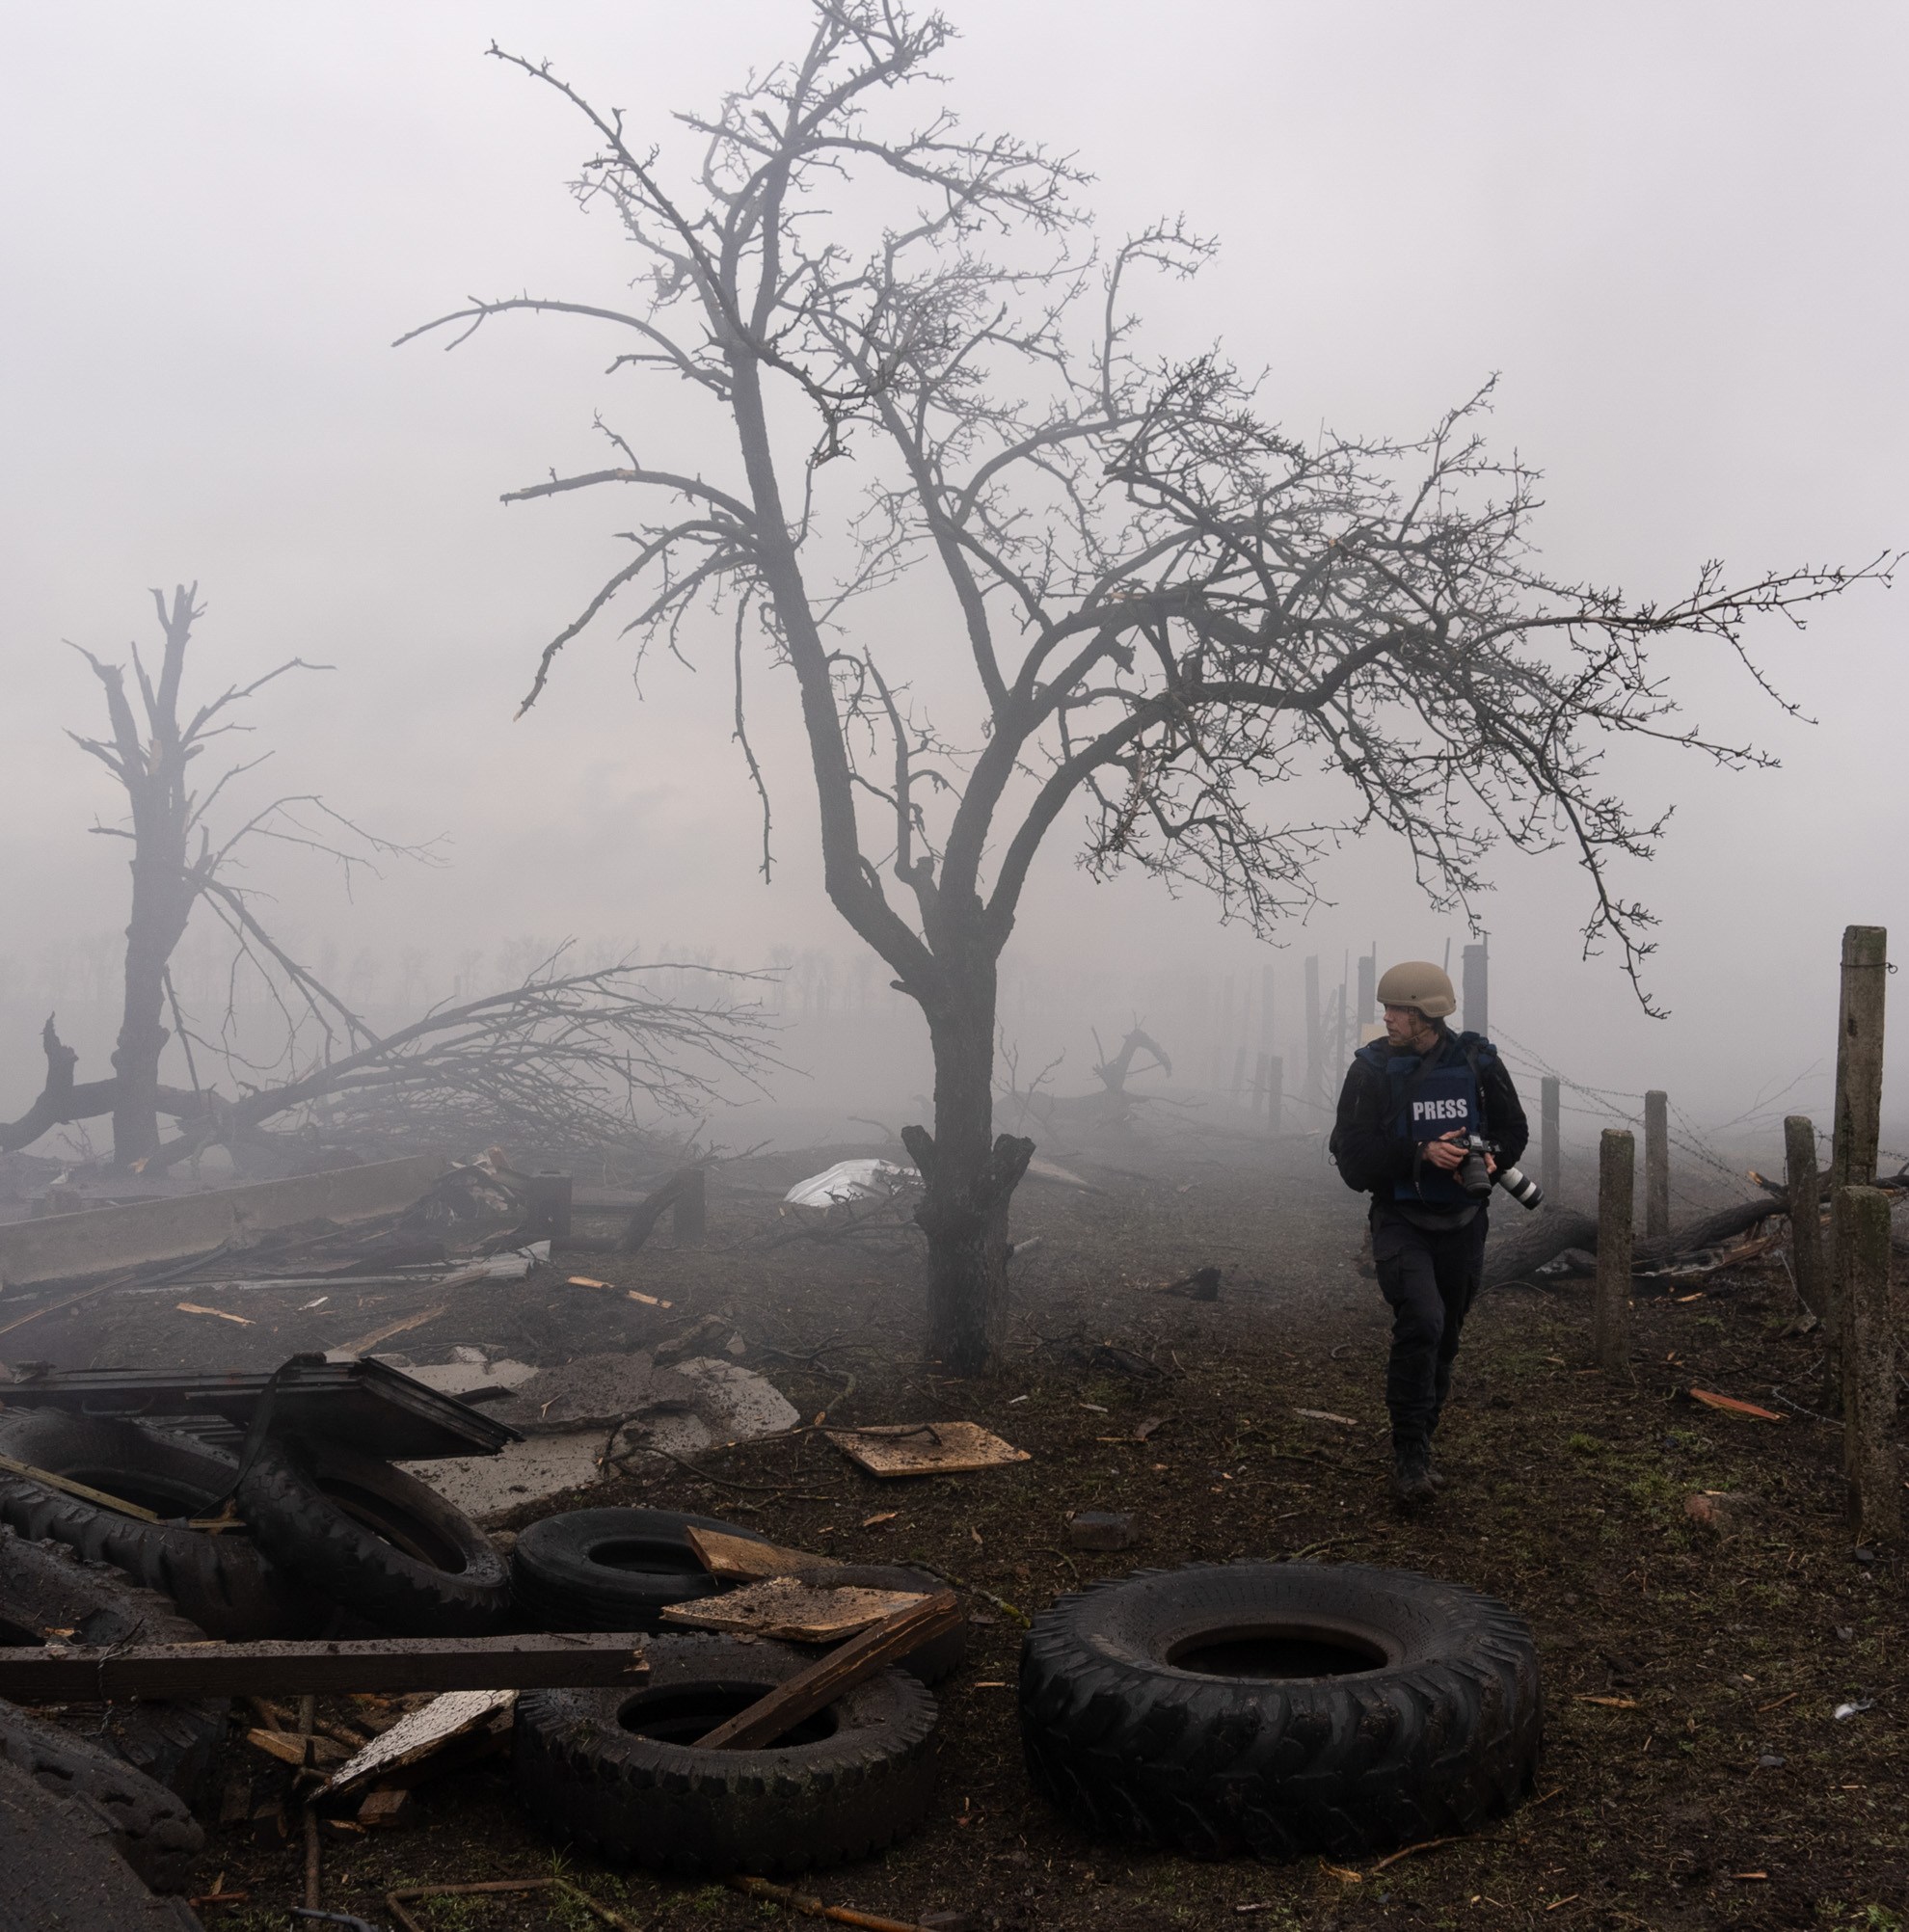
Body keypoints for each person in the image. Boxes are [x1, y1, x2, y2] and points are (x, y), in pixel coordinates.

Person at [1330, 960, 1528, 1505]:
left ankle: (1424, 1441)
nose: (1387, 1018)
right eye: (1387, 1008)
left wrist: (1490, 1160)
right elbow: (1352, 1159)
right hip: (1400, 1220)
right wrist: (1419, 1153)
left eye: (1399, 1010)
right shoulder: (1369, 1071)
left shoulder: (1477, 1062)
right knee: (1423, 1319)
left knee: (1447, 1337)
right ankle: (1409, 1455)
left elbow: (1513, 1131)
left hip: (1464, 1222)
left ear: (1427, 1015)